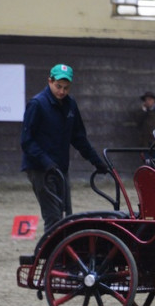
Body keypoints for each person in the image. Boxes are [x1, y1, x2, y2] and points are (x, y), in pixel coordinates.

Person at [20, 63, 109, 232]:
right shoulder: (37, 104)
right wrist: (46, 162)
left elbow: (78, 137)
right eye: (58, 86)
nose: (61, 91)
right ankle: (49, 257)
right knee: (53, 217)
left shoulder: (70, 104)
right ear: (49, 81)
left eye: (66, 88)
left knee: (67, 215)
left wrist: (96, 161)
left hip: (60, 168)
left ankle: (63, 253)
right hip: (41, 169)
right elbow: (26, 140)